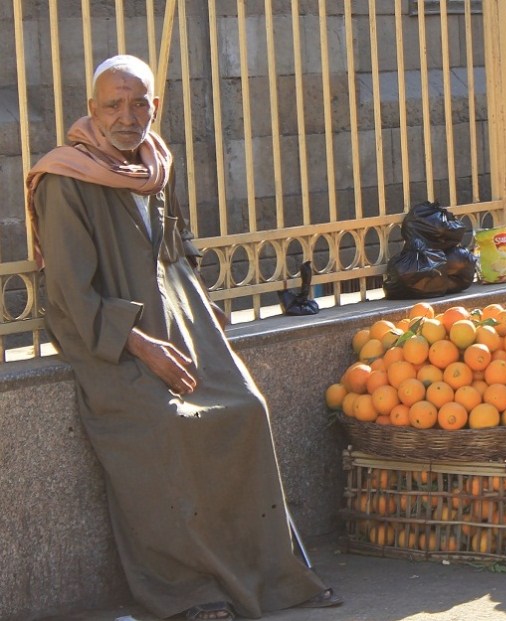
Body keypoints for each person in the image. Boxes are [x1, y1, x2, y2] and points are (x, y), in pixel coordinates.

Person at [25, 55, 342, 621]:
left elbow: (172, 251)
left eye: (138, 102)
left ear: (155, 106)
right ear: (92, 111)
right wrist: (142, 346)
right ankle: (187, 592)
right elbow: (70, 291)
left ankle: (270, 574)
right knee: (162, 427)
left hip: (179, 322)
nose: (127, 116)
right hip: (111, 343)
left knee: (246, 408)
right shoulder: (65, 177)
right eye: (113, 105)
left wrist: (204, 307)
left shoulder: (152, 163)